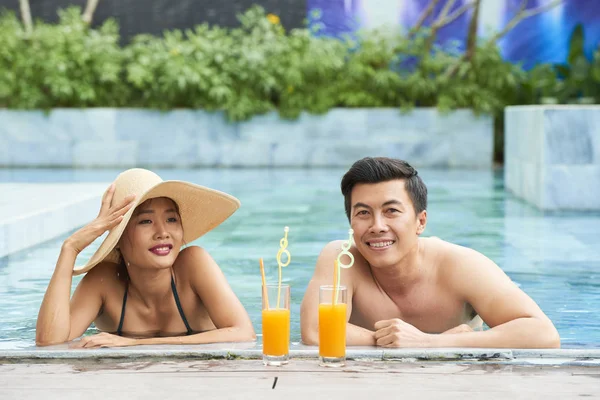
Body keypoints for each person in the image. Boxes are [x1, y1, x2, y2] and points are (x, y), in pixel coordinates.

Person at [300, 157, 560, 348]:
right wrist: (401, 342)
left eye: (391, 211)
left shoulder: (460, 265)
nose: (377, 226)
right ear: (351, 223)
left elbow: (544, 334)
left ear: (420, 221)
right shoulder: (342, 259)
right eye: (363, 213)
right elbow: (314, 332)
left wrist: (431, 344)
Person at [36, 168, 255, 348]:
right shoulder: (104, 280)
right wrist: (70, 248)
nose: (162, 232)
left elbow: (244, 333)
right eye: (145, 221)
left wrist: (137, 343)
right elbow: (49, 342)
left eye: (171, 219)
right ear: (119, 238)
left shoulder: (193, 264)